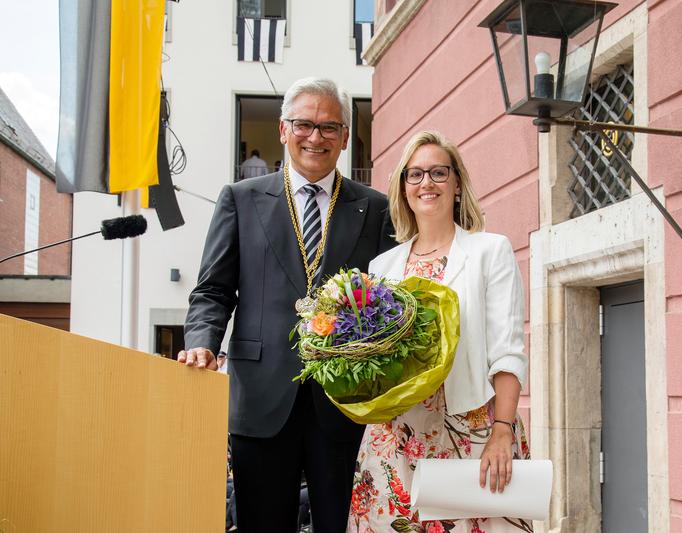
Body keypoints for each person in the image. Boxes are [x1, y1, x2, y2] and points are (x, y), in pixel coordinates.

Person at [178, 77, 395, 532]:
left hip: (344, 402)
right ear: (283, 129)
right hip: (260, 398)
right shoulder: (240, 199)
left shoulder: (374, 208)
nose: (316, 137)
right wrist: (202, 342)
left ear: (345, 138)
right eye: (304, 124)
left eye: (329, 127)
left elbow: (390, 300)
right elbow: (213, 290)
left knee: (343, 525)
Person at [347, 131, 531, 532]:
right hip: (395, 438)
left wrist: (503, 431)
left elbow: (508, 352)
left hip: (472, 430)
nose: (426, 183)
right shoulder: (382, 267)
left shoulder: (490, 251)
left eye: (437, 173)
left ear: (457, 183)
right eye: (414, 175)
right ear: (403, 188)